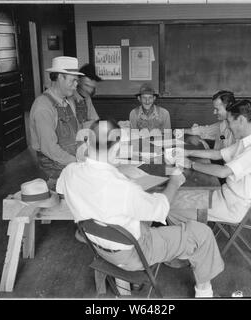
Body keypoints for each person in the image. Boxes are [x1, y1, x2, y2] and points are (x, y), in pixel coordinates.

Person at [56, 120, 224, 298]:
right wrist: (174, 181)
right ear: (116, 148)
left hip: (99, 248)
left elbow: (63, 191)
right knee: (202, 234)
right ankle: (204, 293)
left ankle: (129, 285)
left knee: (135, 218)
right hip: (135, 254)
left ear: (88, 143)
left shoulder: (69, 172)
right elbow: (160, 210)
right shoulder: (123, 188)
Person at [171, 100, 251, 224]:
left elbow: (223, 172)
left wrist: (191, 164)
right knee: (173, 199)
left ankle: (193, 239)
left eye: (229, 122)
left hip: (233, 206)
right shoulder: (246, 141)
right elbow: (218, 153)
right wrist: (188, 153)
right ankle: (191, 234)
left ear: (241, 120)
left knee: (170, 207)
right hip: (225, 194)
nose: (228, 126)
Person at [29, 56, 89, 189]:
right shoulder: (43, 107)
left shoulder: (67, 102)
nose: (75, 85)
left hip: (71, 164)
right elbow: (49, 148)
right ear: (60, 77)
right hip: (56, 172)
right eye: (73, 81)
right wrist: (78, 162)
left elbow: (77, 133)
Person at [72, 63, 101, 129]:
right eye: (87, 85)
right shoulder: (70, 97)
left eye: (92, 87)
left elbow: (95, 120)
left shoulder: (87, 98)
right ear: (78, 81)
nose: (89, 90)